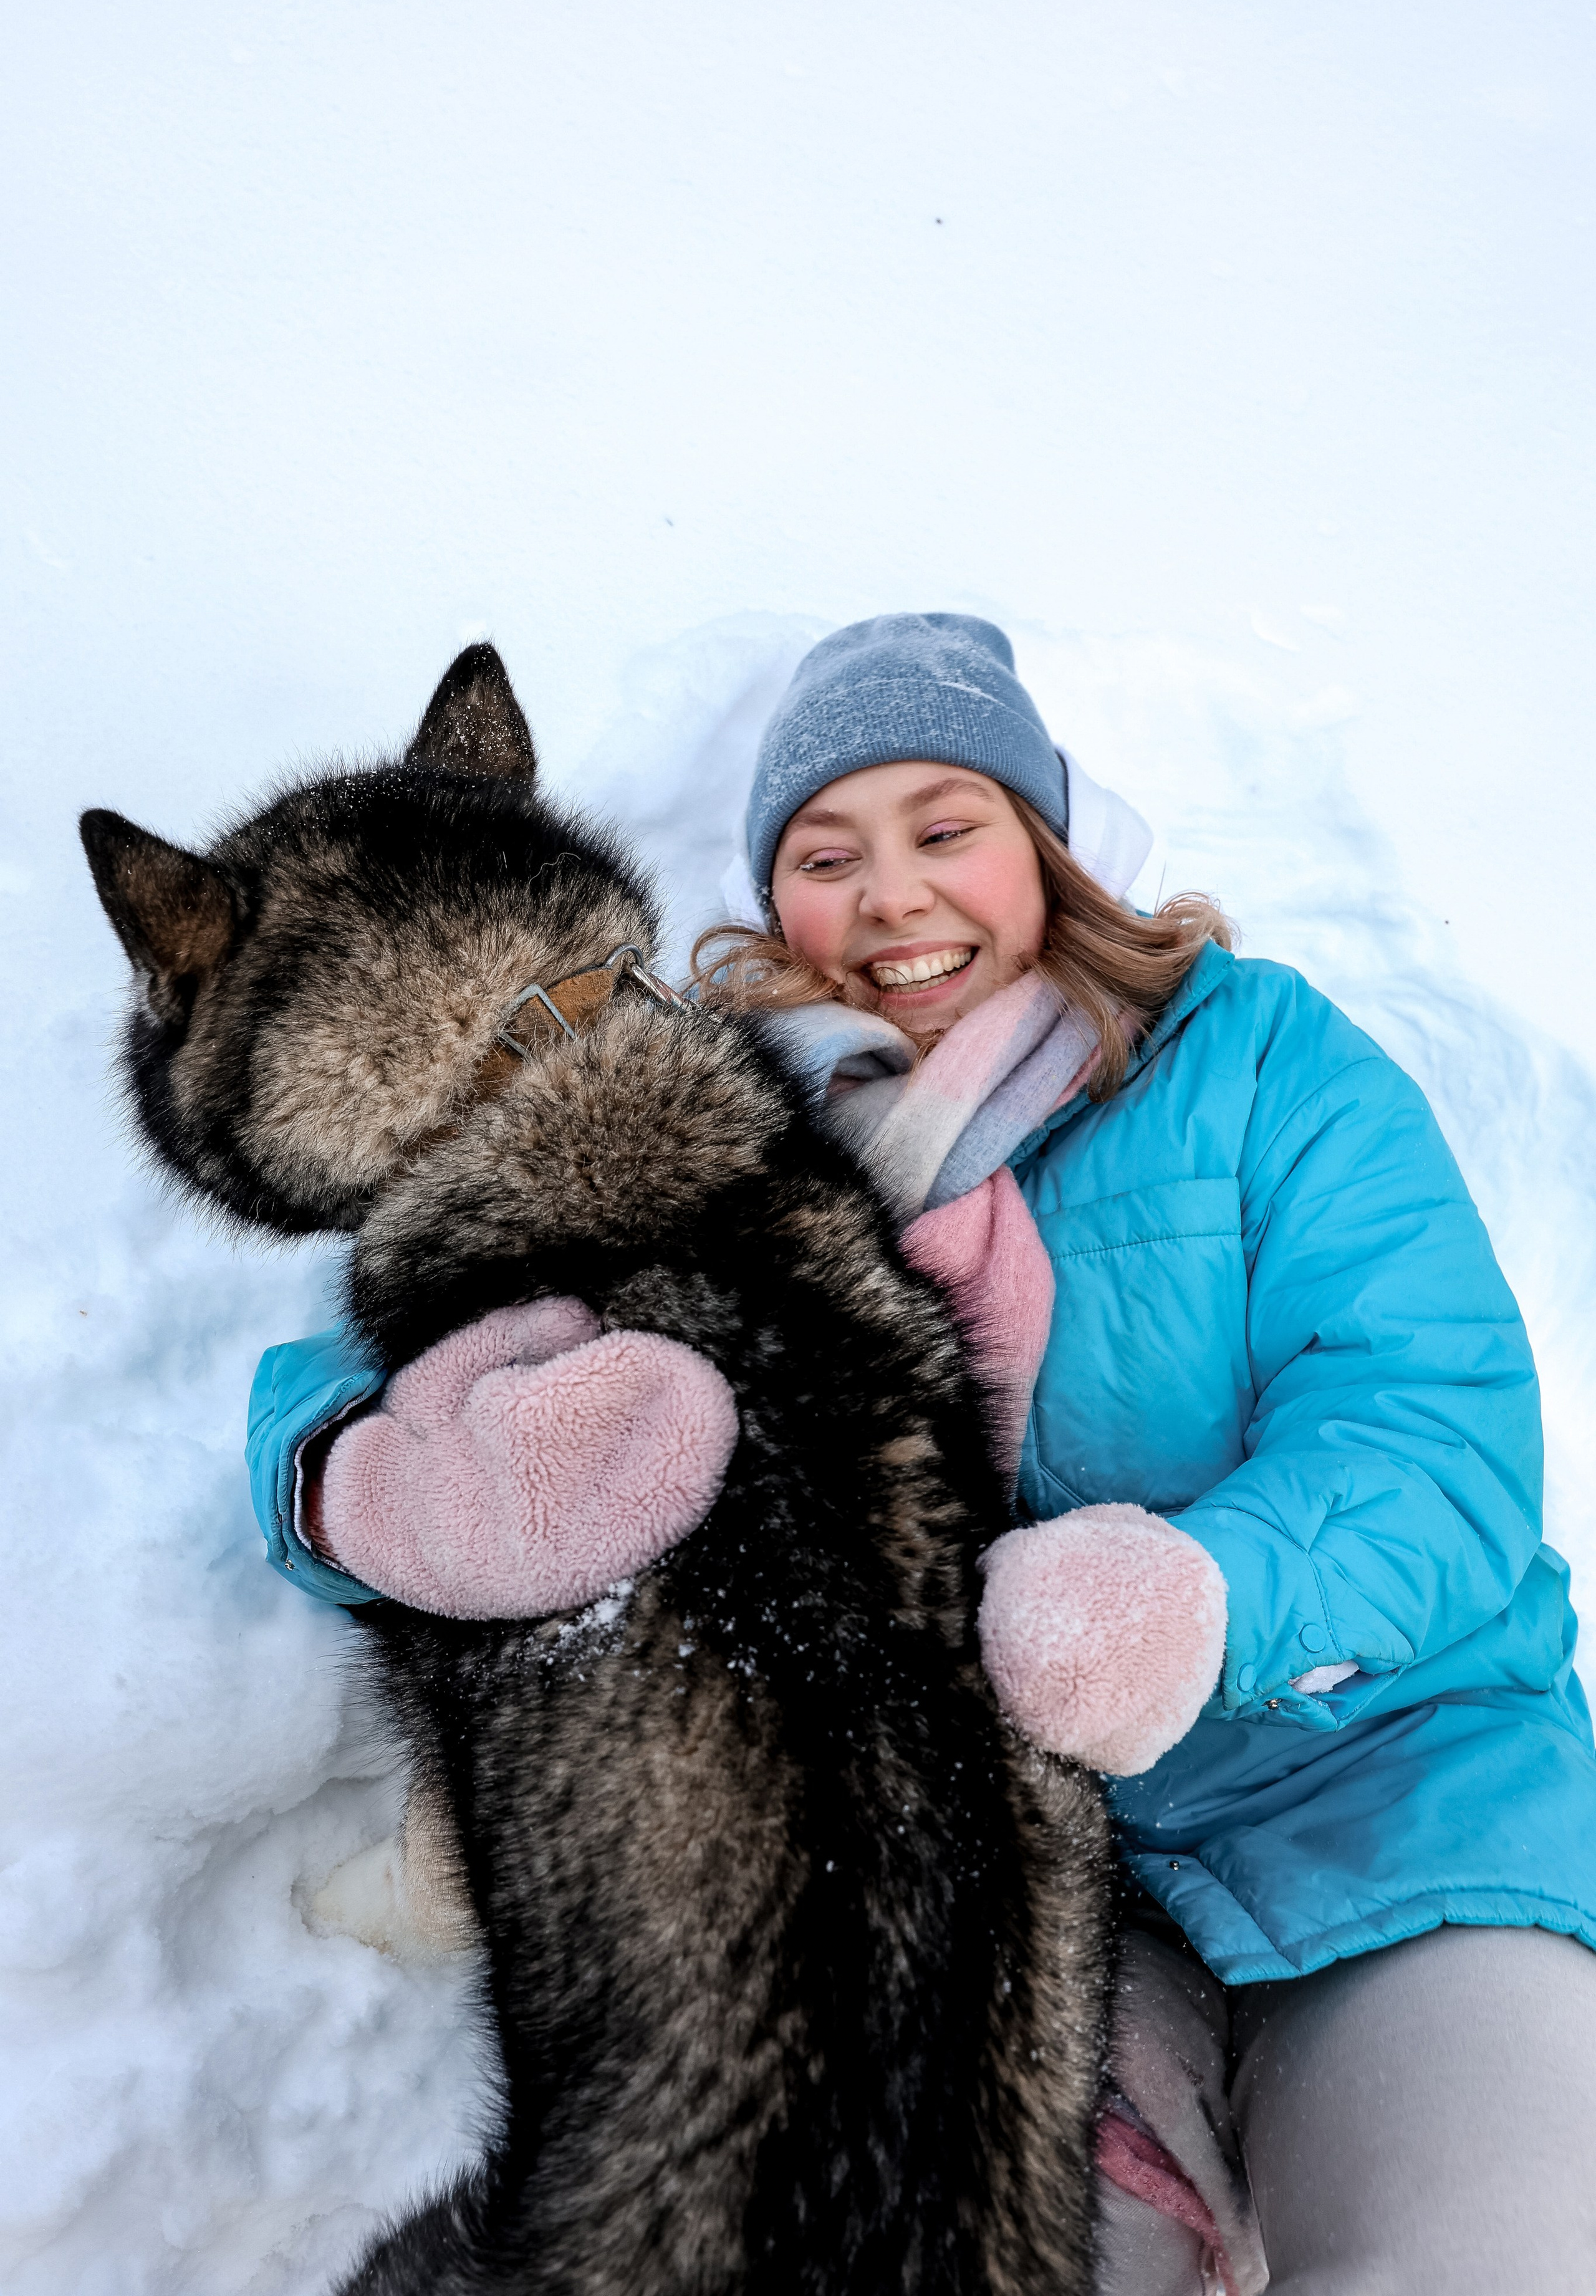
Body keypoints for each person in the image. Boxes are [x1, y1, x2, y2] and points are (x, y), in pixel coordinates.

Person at [249, 613, 1596, 2294]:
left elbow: (1434, 1430)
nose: (892, 896)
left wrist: (1200, 1597)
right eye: (828, 856)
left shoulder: (1258, 1059)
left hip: (1390, 1805)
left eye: (946, 828)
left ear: (1048, 845)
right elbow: (394, 1319)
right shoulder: (727, 1122)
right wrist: (350, 1478)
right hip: (1017, 1904)